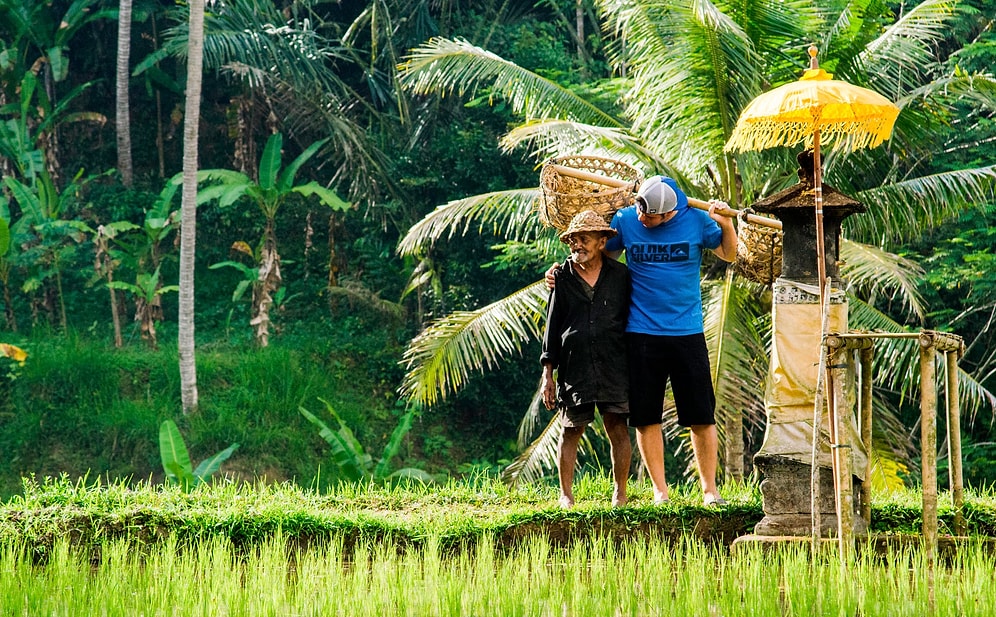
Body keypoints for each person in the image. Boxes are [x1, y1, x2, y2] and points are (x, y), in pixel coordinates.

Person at [547, 176, 737, 506]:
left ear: (668, 213)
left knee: (701, 416)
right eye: (638, 209)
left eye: (649, 216)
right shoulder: (625, 221)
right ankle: (659, 491)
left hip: (687, 332)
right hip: (641, 333)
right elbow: (592, 255)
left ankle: (710, 490)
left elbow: (730, 254)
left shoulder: (697, 220)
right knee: (646, 416)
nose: (641, 218)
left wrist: (725, 223)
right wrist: (558, 271)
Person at [541, 210, 633, 508]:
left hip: (614, 363)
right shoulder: (562, 277)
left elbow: (631, 319)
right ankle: (565, 494)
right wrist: (547, 376)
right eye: (573, 240)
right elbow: (552, 327)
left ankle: (620, 492)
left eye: (584, 239)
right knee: (571, 429)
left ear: (602, 241)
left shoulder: (620, 276)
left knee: (617, 426)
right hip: (575, 365)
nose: (577, 245)